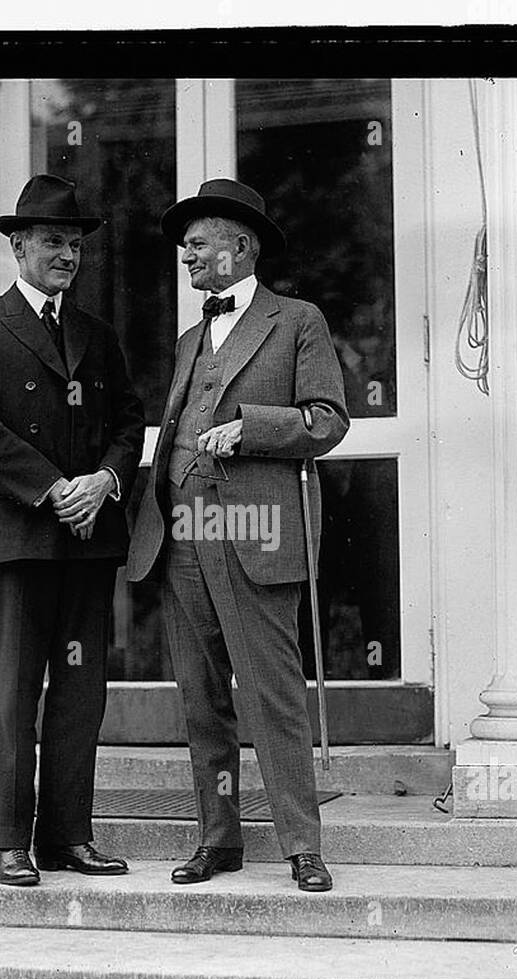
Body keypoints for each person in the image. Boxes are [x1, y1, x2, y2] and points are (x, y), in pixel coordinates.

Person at [127, 178, 349, 891]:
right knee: (201, 699)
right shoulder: (191, 335)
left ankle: (301, 847)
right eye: (184, 246)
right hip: (183, 531)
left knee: (271, 695)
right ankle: (217, 841)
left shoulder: (297, 320)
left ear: (241, 247)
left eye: (198, 242)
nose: (186, 255)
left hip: (252, 529)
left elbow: (327, 419)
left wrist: (253, 428)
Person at [0, 174, 145, 887]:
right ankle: (10, 839)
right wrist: (51, 487)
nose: (68, 254)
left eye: (76, 244)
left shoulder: (95, 334)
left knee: (79, 691)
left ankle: (67, 837)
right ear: (19, 245)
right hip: (19, 531)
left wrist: (105, 479)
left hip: (87, 531)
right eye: (54, 242)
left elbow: (128, 421)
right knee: (15, 688)